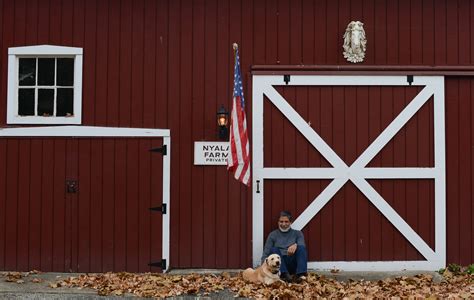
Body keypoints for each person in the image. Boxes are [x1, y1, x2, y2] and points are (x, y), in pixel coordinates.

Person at [261, 211, 308, 283]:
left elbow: (302, 246)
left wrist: (296, 245)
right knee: (273, 249)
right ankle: (284, 275)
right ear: (278, 222)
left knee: (301, 247)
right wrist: (263, 269)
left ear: (290, 222)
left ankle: (300, 275)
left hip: (293, 262)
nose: (283, 224)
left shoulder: (298, 233)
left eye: (286, 222)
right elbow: (266, 253)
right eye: (281, 221)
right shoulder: (273, 235)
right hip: (279, 265)